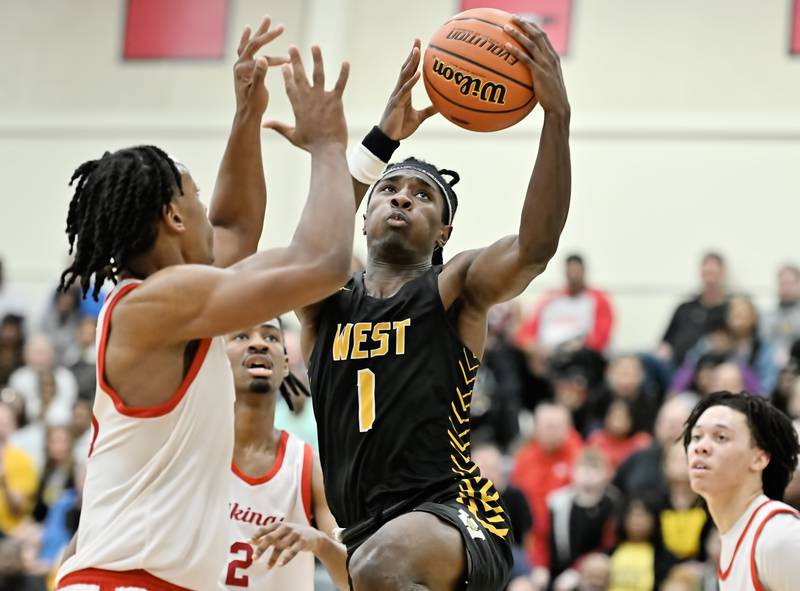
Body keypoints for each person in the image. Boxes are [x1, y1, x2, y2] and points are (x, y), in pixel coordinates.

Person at [55, 19, 357, 590]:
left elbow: (236, 227)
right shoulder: (157, 304)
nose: (205, 213)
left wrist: (248, 114)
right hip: (125, 581)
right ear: (172, 217)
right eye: (193, 199)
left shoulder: (169, 301)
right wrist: (328, 146)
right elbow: (323, 262)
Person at [288, 18, 571, 591]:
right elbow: (317, 241)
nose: (402, 198)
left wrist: (556, 120)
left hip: (456, 512)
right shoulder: (324, 301)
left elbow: (535, 248)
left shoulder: (454, 286)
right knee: (375, 566)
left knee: (381, 567)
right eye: (388, 191)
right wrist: (377, 145)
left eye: (423, 197)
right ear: (362, 216)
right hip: (364, 529)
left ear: (441, 233)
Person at [222, 318, 347, 590]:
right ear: (219, 359)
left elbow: (351, 581)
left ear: (286, 365)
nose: (258, 343)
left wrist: (319, 543)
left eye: (271, 338)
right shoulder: (196, 449)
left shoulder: (308, 465)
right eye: (242, 336)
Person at [684, 391, 800, 590]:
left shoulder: (777, 537)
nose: (700, 447)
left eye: (720, 437)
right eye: (696, 436)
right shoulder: (734, 537)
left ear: (759, 458)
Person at [516, 254, 614, 354]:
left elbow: (600, 338)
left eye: (576, 271)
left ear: (583, 271)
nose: (573, 275)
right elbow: (526, 333)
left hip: (581, 354)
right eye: (570, 271)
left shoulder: (598, 300)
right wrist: (532, 348)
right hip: (546, 354)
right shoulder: (549, 300)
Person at [658, 252, 729, 366]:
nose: (710, 280)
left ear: (723, 274)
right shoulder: (684, 308)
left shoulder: (730, 309)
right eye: (706, 274)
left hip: (710, 369)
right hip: (675, 367)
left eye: (714, 274)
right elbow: (665, 342)